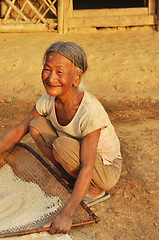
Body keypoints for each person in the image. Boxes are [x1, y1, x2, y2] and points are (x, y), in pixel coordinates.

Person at [0, 41, 122, 234]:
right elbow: (19, 129)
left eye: (59, 72)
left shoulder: (89, 111)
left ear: (77, 77)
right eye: (47, 69)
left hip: (106, 169)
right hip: (76, 153)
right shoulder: (48, 101)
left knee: (62, 146)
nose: (50, 78)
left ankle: (94, 190)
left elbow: (89, 165)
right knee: (35, 125)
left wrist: (67, 213)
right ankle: (71, 177)